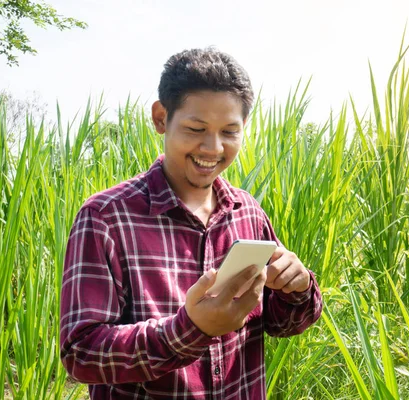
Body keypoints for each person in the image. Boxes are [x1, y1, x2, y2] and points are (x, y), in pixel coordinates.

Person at [59, 48, 323, 399]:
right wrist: (189, 329)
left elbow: (279, 323)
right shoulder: (106, 218)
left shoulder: (247, 212)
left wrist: (297, 288)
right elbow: (81, 352)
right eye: (196, 128)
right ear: (160, 118)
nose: (212, 148)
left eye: (230, 132)